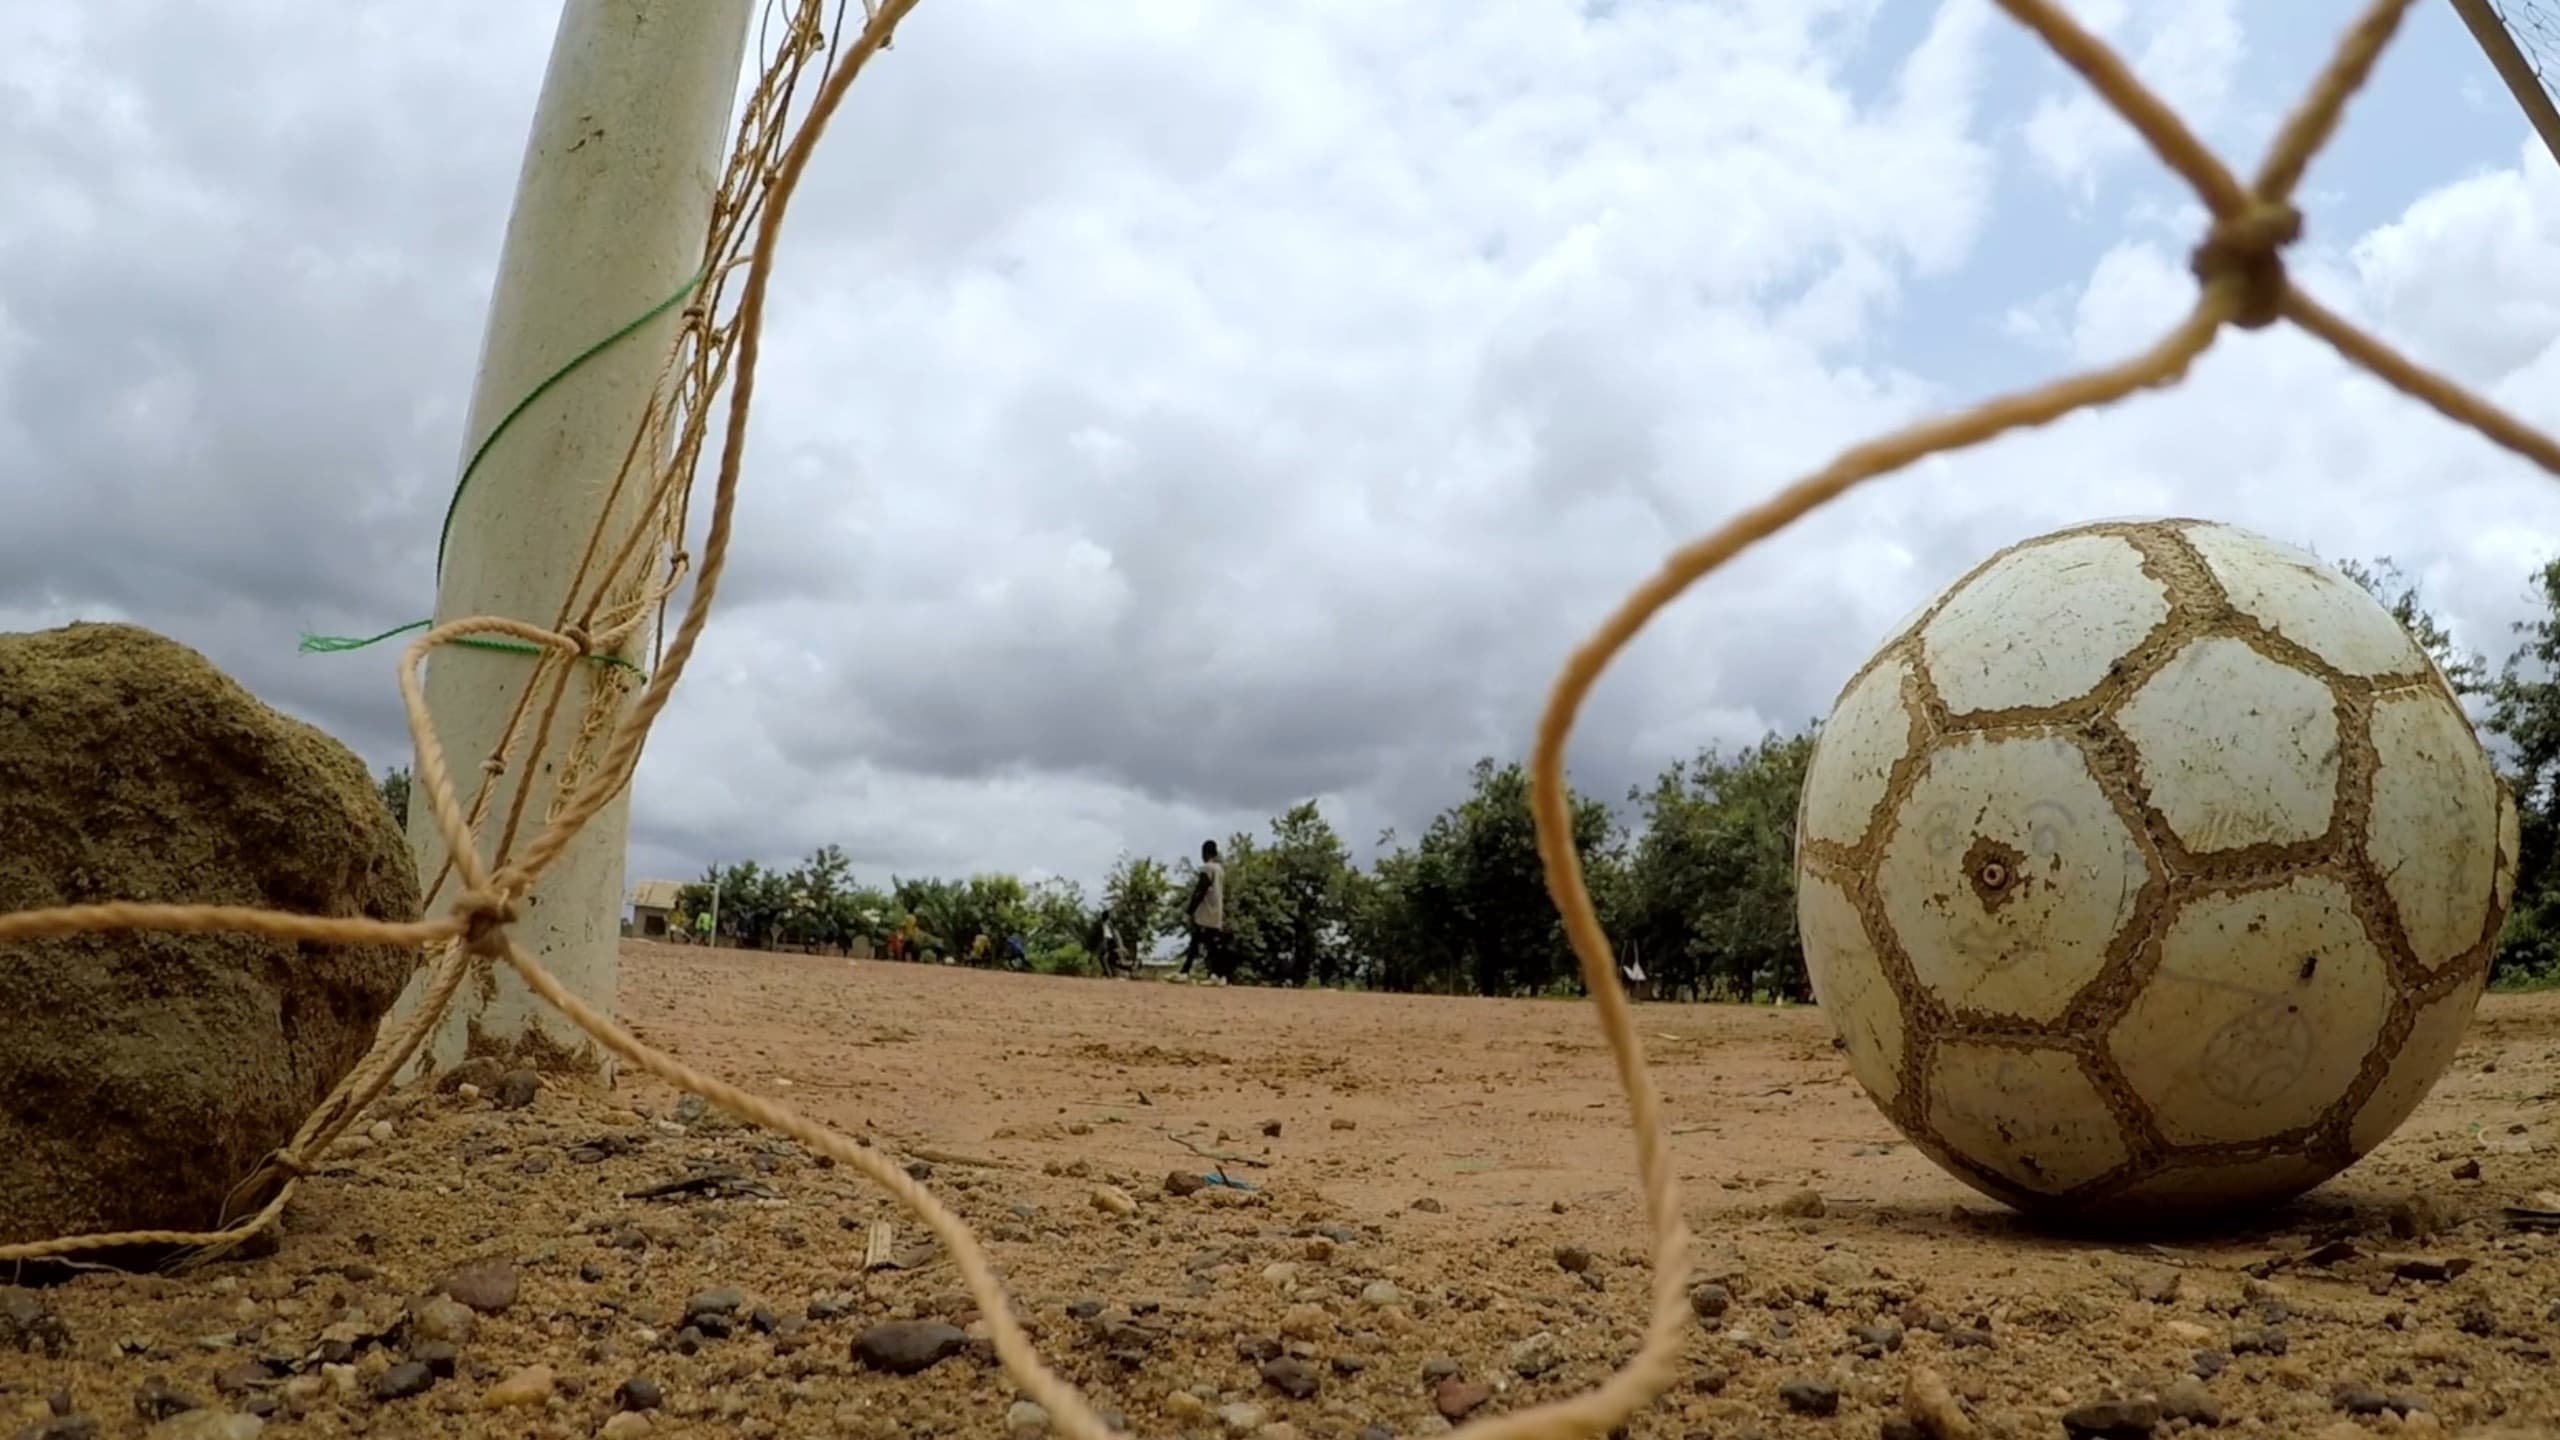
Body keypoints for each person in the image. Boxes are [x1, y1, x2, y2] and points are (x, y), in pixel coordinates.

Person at [1176, 839, 1229, 982]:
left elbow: (1200, 890)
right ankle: (1218, 974)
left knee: (1196, 942)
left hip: (1206, 911)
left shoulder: (1207, 869)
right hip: (1217, 910)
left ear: (1204, 853)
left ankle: (1185, 972)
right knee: (1213, 945)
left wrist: (1190, 910)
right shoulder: (1220, 869)